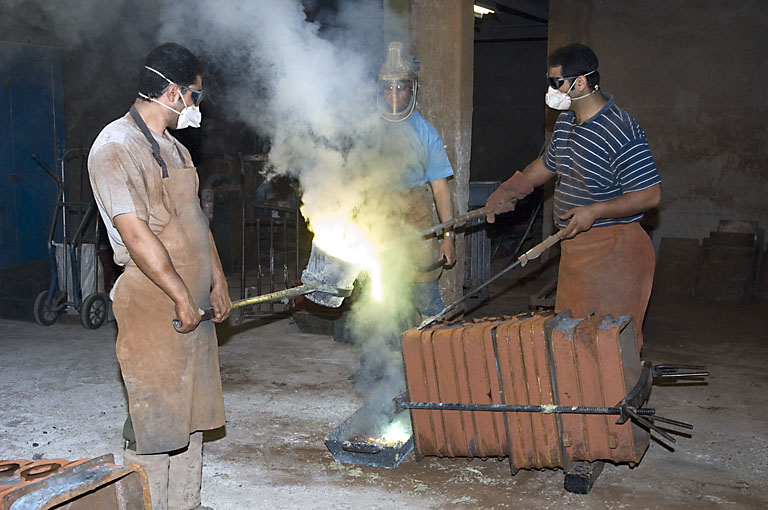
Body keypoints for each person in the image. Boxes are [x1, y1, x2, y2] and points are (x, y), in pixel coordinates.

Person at [88, 43, 232, 510]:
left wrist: (217, 280)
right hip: (154, 304)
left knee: (192, 415)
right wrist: (179, 295)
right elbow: (135, 234)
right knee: (154, 420)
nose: (196, 106)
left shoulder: (176, 149)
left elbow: (195, 221)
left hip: (193, 299)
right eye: (194, 95)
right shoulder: (115, 148)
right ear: (172, 92)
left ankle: (184, 503)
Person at [485, 43, 662, 348]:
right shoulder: (567, 121)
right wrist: (512, 188)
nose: (551, 89)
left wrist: (594, 211)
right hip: (576, 251)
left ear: (580, 82)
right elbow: (548, 164)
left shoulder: (620, 129)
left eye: (557, 83)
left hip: (615, 252)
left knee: (607, 345)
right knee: (571, 341)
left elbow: (650, 194)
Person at [376, 40, 455, 317]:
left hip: (416, 218)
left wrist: (447, 236)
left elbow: (440, 189)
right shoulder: (367, 129)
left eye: (401, 87)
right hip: (378, 220)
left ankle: (441, 354)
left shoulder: (425, 131)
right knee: (383, 302)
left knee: (426, 295)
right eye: (388, 87)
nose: (394, 94)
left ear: (412, 89)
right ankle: (388, 357)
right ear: (380, 90)